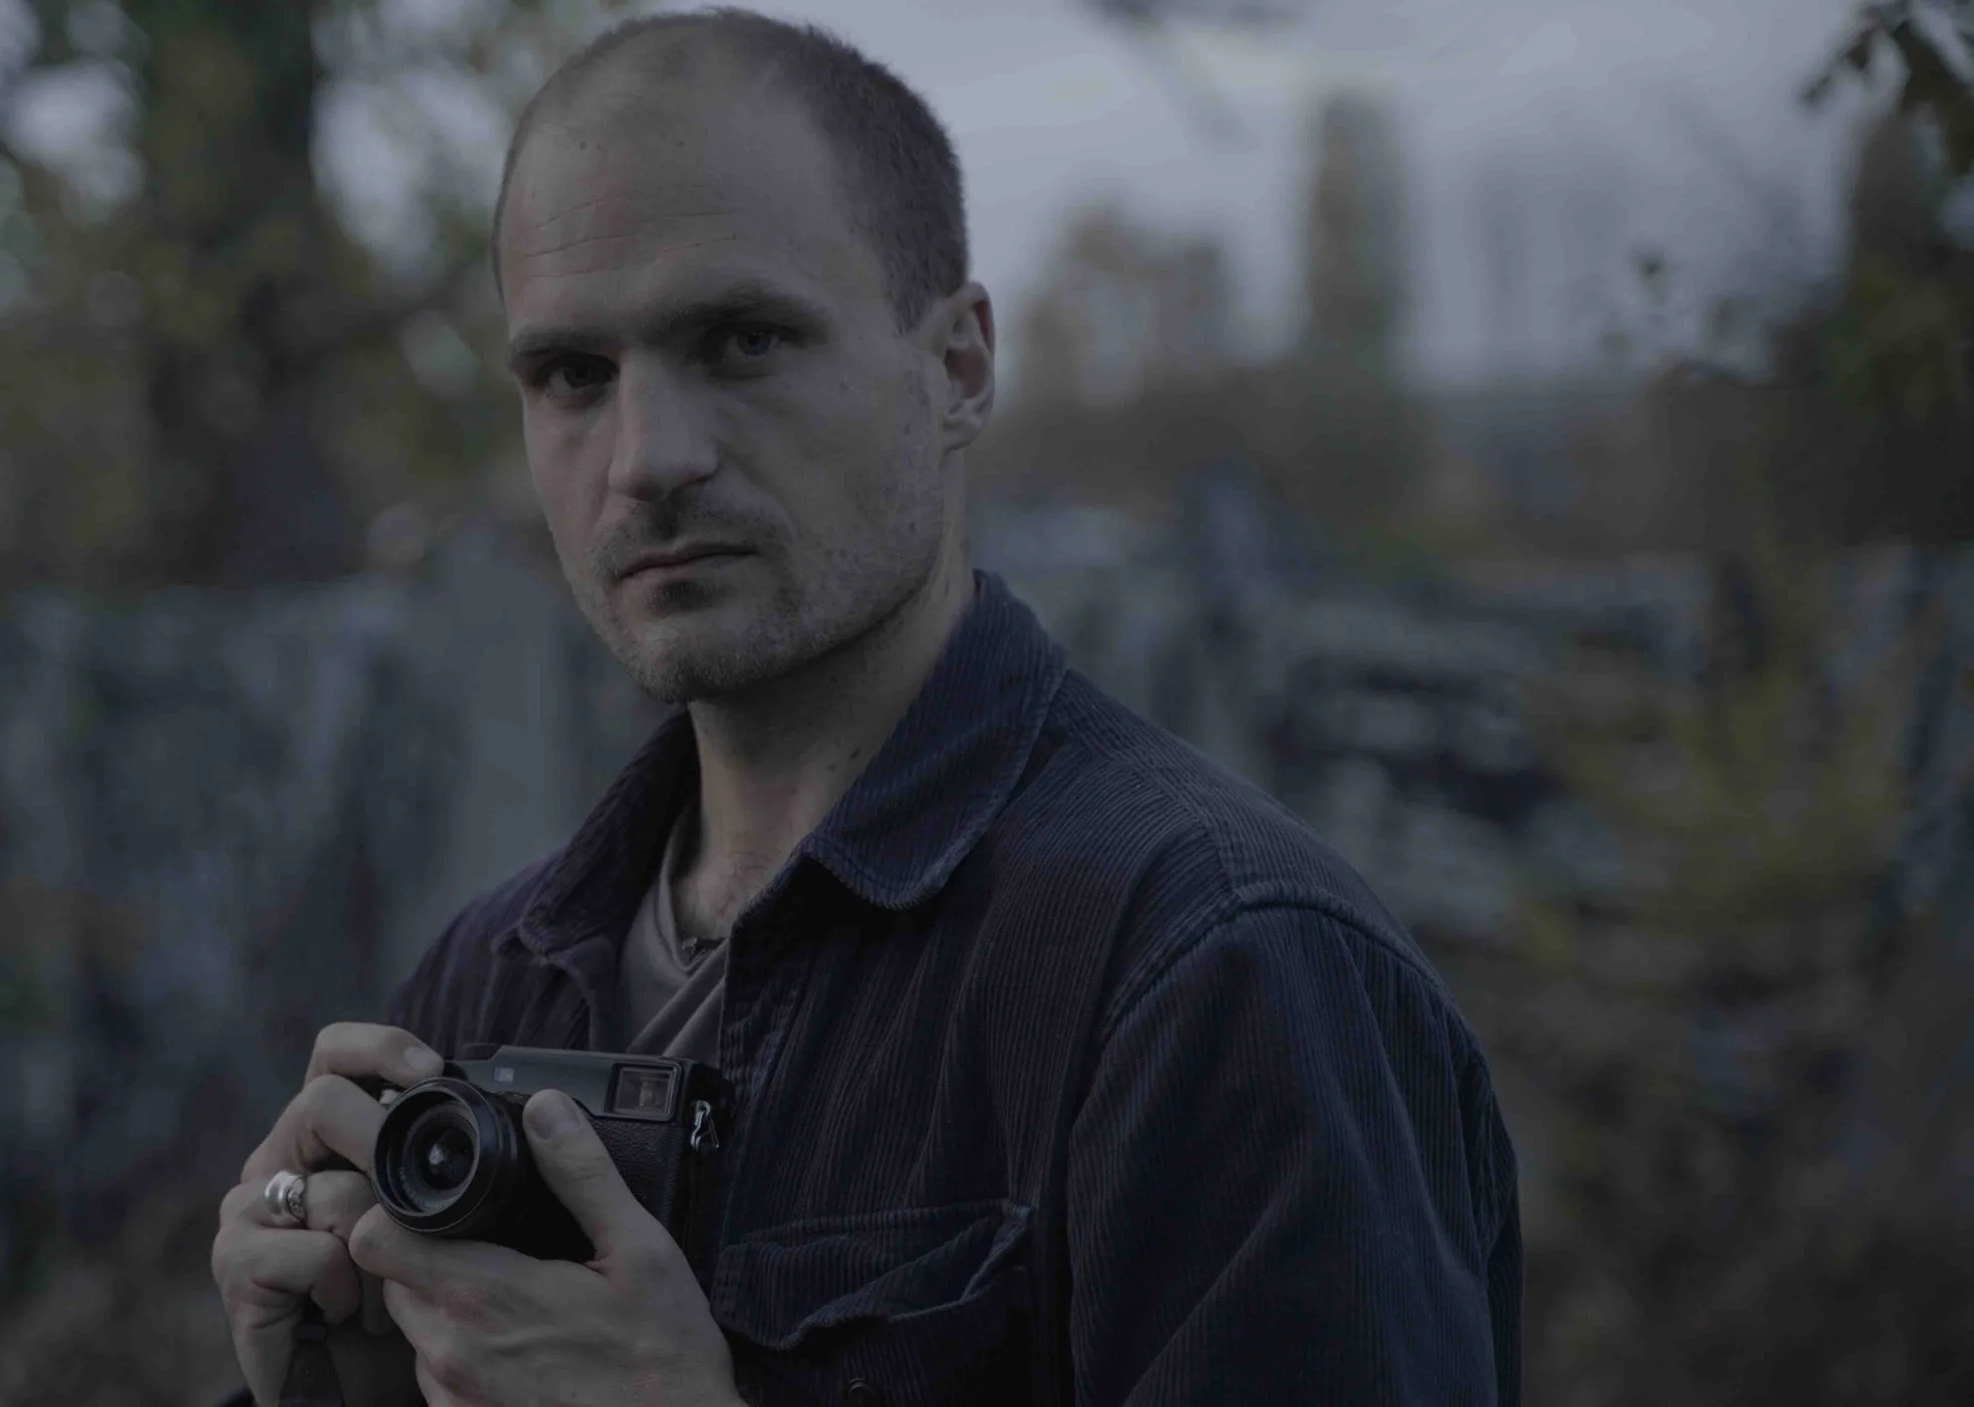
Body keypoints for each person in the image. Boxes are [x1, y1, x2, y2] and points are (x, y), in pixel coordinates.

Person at [212, 9, 1520, 1405]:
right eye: (573, 375)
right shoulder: (493, 978)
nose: (648, 457)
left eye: (744, 340)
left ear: (956, 366)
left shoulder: (1219, 969)